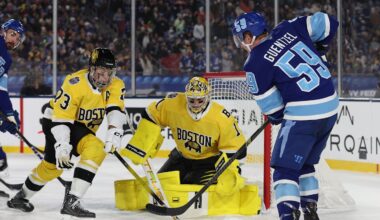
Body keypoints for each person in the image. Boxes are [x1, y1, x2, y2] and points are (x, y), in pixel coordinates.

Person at [232, 11, 339, 220]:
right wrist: (320, 49)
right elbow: (327, 22)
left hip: (304, 115)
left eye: (240, 38)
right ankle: (310, 211)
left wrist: (277, 116)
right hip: (331, 106)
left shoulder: (254, 63)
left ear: (248, 36)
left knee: (284, 171)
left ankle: (288, 216)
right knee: (304, 164)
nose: (241, 43)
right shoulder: (288, 27)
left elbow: (274, 111)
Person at [7, 48, 127, 218]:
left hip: (78, 126)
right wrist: (63, 145)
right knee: (95, 148)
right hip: (56, 121)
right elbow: (62, 118)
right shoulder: (75, 83)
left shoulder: (116, 84)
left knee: (52, 168)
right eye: (101, 72)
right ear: (91, 69)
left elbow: (115, 110)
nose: (105, 78)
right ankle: (73, 201)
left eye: (109, 73)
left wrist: (115, 132)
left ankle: (21, 197)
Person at [125, 76, 246, 195]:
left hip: (209, 162)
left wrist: (232, 171)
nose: (196, 104)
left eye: (200, 100)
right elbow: (149, 115)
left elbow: (237, 150)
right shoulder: (173, 103)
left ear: (208, 97)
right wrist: (142, 144)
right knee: (161, 186)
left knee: (194, 187)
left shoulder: (221, 118)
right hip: (180, 158)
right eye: (192, 100)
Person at [0, 19, 25, 197]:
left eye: (17, 37)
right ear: (3, 31)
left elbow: (1, 90)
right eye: (13, 34)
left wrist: (8, 115)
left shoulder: (6, 59)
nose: (14, 39)